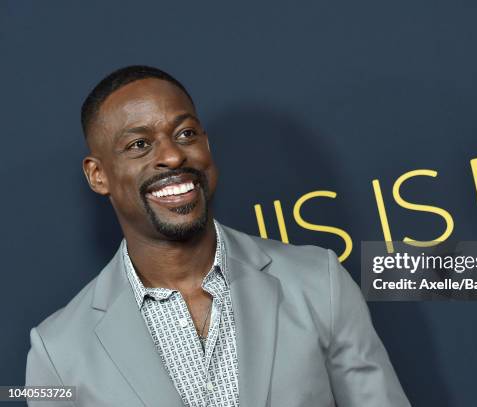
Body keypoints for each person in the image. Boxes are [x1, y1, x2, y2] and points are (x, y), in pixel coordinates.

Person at [25, 65, 410, 407]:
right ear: (98, 175)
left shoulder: (317, 282)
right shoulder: (58, 351)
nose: (173, 156)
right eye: (139, 145)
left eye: (186, 133)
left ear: (206, 146)